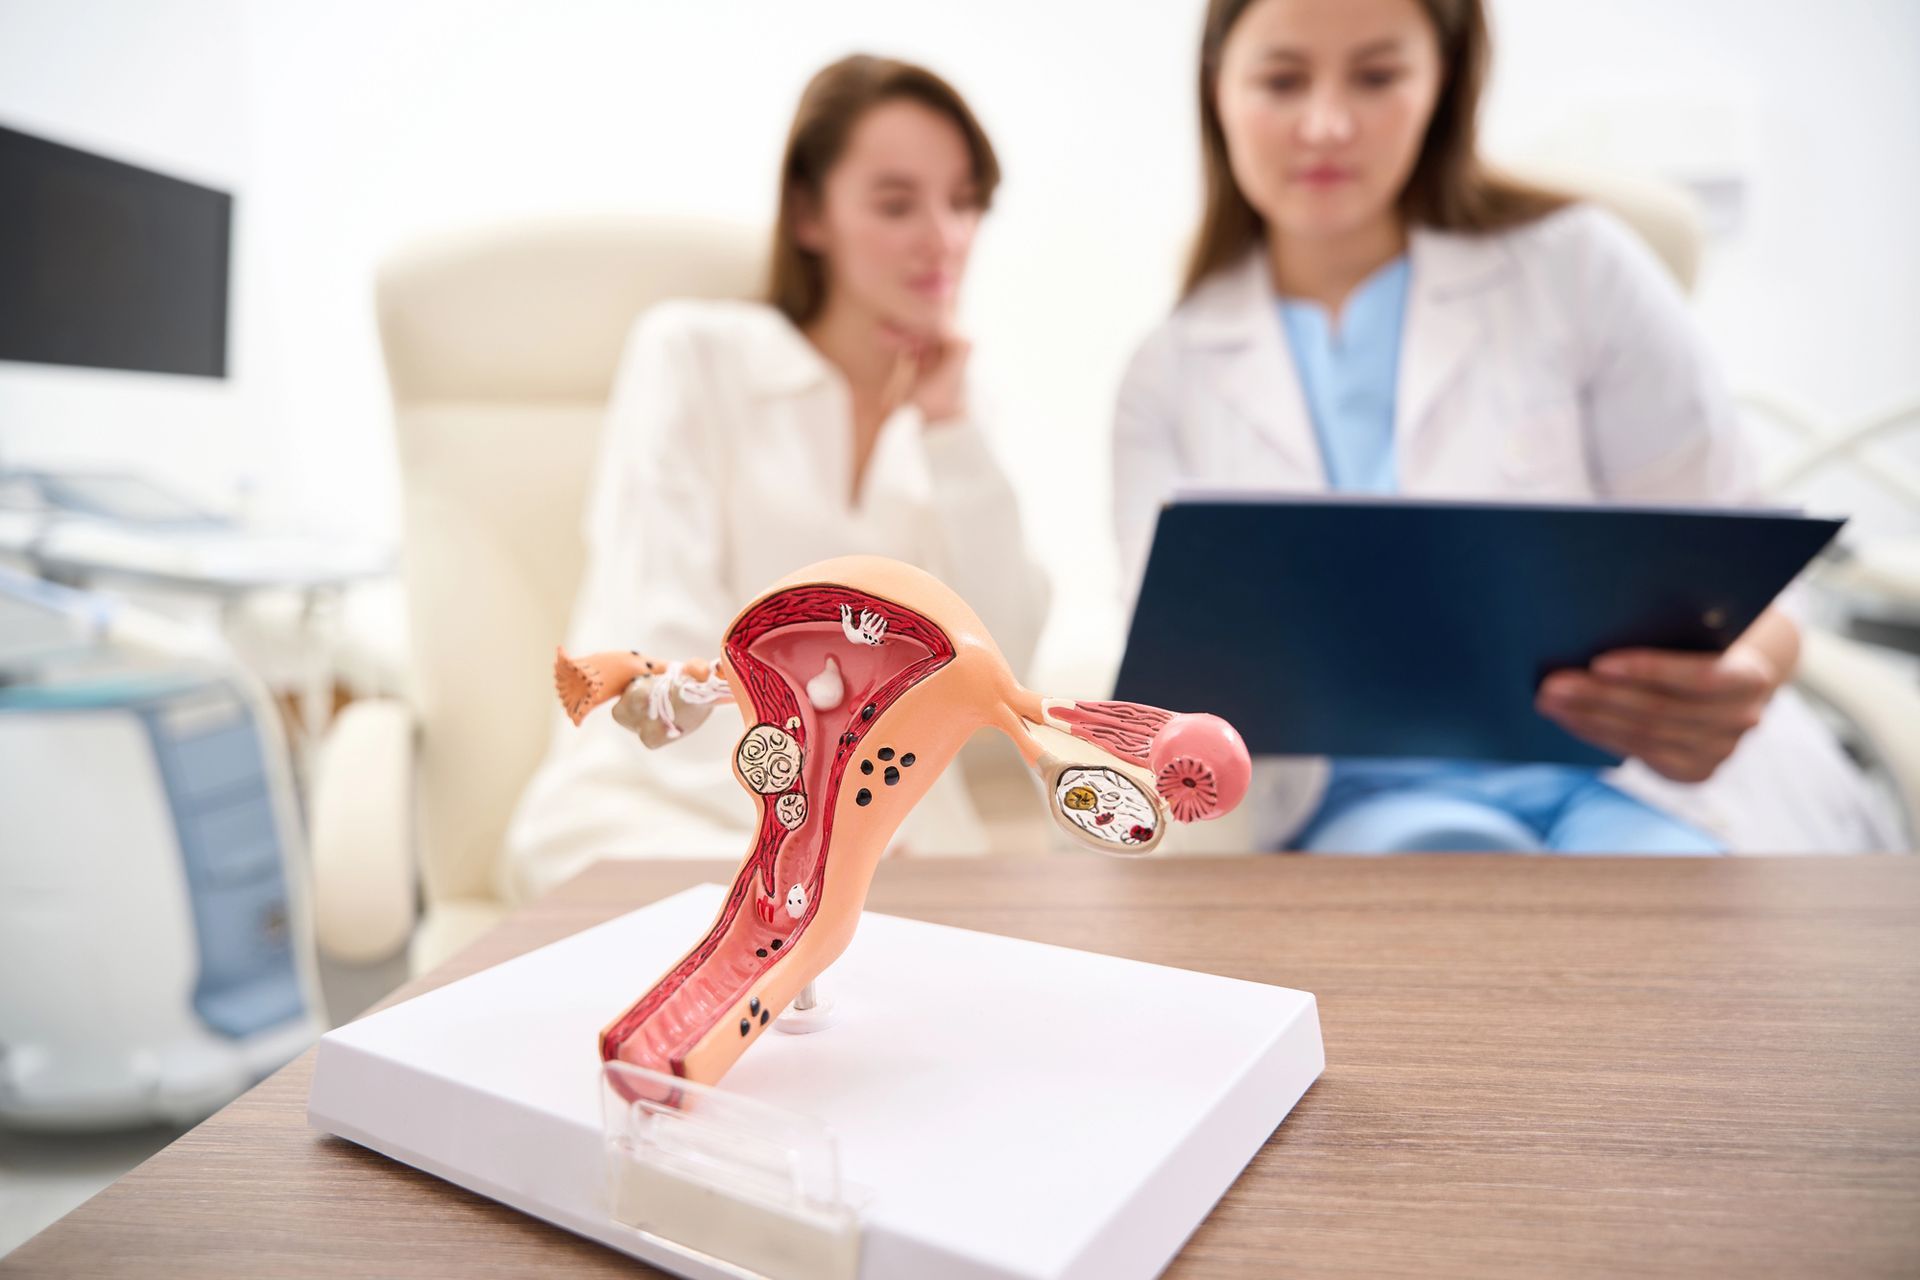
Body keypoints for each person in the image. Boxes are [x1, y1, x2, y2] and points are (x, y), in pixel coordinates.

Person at [1113, 0, 1892, 853]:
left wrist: (1741, 679)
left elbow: (1755, 574)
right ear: (1216, 87)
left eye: (1377, 77)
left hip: (1632, 784)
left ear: (1442, 83)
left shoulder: (1582, 268)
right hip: (1351, 812)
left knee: (1675, 923)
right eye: (1281, 79)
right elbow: (1168, 671)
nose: (1327, 124)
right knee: (1438, 899)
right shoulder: (1168, 372)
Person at [506, 55, 1049, 898]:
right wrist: (808, 819)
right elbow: (657, 634)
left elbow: (1002, 659)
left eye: (964, 201)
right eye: (897, 203)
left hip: (881, 838)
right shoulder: (692, 354)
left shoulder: (958, 421)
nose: (943, 236)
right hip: (665, 805)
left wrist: (950, 430)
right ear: (808, 212)